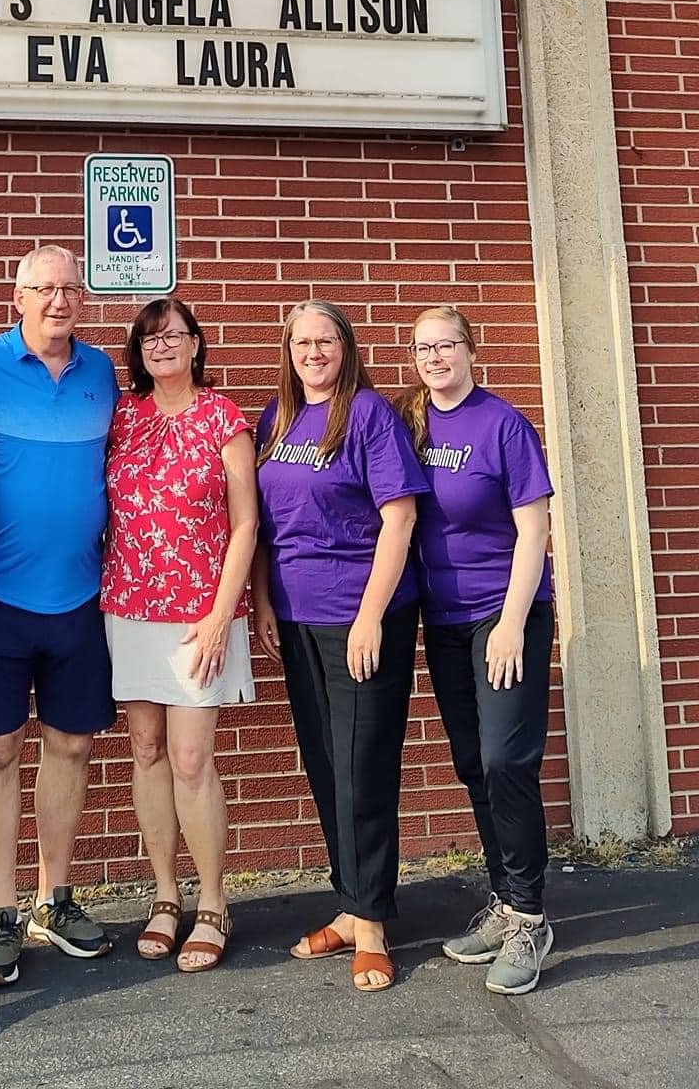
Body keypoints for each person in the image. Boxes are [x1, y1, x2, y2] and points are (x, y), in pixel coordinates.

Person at [0, 244, 118, 987]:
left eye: (69, 289)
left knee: (72, 747)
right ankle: (3, 912)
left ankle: (54, 897)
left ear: (83, 299)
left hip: (80, 595)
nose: (58, 301)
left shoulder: (103, 371)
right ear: (16, 297)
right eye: (43, 289)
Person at [251, 299, 426, 993]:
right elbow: (262, 523)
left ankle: (375, 923)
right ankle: (350, 907)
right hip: (296, 616)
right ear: (288, 349)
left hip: (363, 616)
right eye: (302, 342)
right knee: (326, 763)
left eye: (326, 341)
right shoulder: (277, 418)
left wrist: (370, 615)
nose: (314, 352)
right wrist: (264, 600)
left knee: (364, 767)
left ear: (346, 349)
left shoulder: (370, 415)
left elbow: (401, 516)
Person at [395, 303, 555, 995]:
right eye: (423, 348)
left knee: (505, 758)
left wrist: (515, 621)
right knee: (470, 761)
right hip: (445, 618)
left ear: (470, 350)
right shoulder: (411, 422)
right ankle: (502, 898)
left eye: (446, 345)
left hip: (504, 612)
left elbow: (534, 530)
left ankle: (529, 919)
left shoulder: (503, 425)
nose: (435, 358)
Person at [101, 297, 258, 973]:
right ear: (137, 353)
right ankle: (165, 897)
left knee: (191, 759)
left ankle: (214, 901)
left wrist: (225, 612)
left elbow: (247, 522)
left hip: (202, 613)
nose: (162, 346)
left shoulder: (223, 417)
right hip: (130, 607)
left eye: (174, 336)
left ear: (197, 344)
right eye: (149, 339)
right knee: (146, 749)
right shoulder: (122, 416)